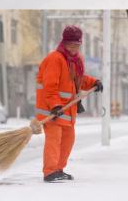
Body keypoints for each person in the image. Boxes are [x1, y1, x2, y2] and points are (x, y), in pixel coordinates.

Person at [35, 25, 103, 182]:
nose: (74, 48)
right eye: (71, 44)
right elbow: (49, 86)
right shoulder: (55, 59)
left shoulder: (75, 60)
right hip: (52, 111)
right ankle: (50, 172)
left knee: (68, 139)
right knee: (54, 140)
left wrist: (94, 82)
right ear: (64, 43)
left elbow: (78, 79)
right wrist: (55, 105)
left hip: (67, 111)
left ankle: (58, 169)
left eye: (77, 45)